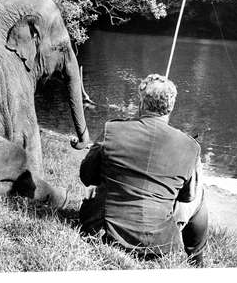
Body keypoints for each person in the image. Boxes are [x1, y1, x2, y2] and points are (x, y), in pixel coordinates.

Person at [79, 74, 208, 265]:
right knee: (200, 195)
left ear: (141, 103)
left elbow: (86, 175)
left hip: (103, 232)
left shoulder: (112, 129)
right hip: (160, 245)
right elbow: (187, 197)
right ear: (171, 107)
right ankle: (196, 260)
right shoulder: (190, 147)